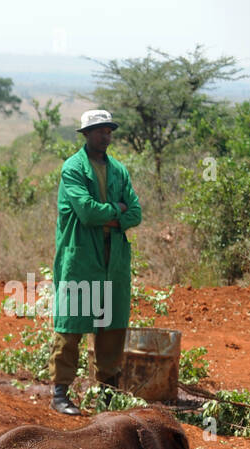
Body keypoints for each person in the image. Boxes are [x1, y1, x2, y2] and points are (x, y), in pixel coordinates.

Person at [49, 109, 142, 415]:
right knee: (71, 326)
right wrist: (117, 211)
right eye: (100, 130)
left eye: (109, 130)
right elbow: (87, 212)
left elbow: (136, 213)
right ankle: (60, 394)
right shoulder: (73, 169)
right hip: (82, 259)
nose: (106, 135)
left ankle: (108, 396)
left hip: (112, 261)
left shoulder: (119, 170)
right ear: (86, 134)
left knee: (111, 326)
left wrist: (110, 216)